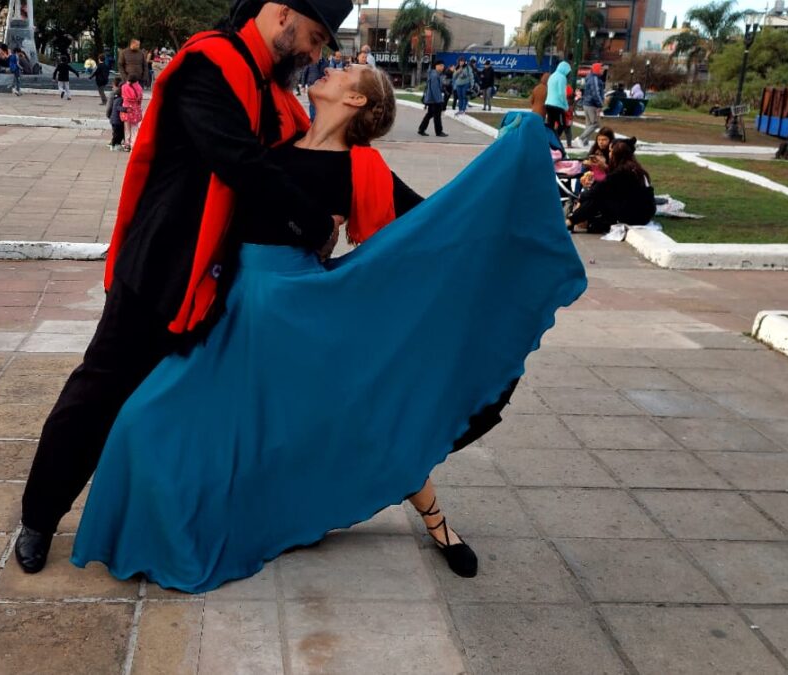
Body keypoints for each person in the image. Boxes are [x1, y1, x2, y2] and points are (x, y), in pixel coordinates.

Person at [70, 67, 586, 593]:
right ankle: (192, 526)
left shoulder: (363, 167)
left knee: (364, 423)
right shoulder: (275, 140)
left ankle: (440, 527)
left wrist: (513, 161)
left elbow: (437, 227)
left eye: (344, 72)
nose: (331, 68)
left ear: (356, 98)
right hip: (235, 310)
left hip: (302, 314)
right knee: (143, 419)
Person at [14, 0, 358, 574]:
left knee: (182, 409)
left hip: (222, 280)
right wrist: (317, 223)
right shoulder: (211, 66)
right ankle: (39, 519)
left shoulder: (272, 93)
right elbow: (240, 163)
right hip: (160, 270)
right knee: (97, 396)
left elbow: (296, 166)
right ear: (281, 15)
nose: (315, 54)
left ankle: (178, 524)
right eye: (316, 38)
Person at [567, 139, 654, 234]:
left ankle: (570, 221)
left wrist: (580, 198)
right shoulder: (633, 167)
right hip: (643, 213)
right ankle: (579, 221)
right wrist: (604, 168)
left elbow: (598, 190)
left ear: (616, 154)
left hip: (635, 215)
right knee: (598, 199)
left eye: (610, 151)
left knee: (597, 198)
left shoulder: (621, 172)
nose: (609, 154)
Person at [577, 62, 605, 146]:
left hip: (587, 103)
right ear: (597, 69)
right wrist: (600, 104)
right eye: (601, 68)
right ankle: (580, 138)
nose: (603, 70)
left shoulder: (591, 78)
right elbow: (596, 93)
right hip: (592, 104)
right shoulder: (595, 79)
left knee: (589, 124)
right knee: (595, 124)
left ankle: (584, 141)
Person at [418, 59, 447, 137]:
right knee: (437, 115)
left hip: (431, 99)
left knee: (430, 114)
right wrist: (439, 100)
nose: (442, 67)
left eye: (443, 66)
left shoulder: (435, 74)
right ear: (437, 66)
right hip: (434, 99)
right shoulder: (435, 75)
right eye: (441, 66)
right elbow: (435, 89)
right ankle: (439, 132)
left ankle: (421, 129)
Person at [545, 60, 570, 138]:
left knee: (550, 124)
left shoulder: (552, 76)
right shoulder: (562, 78)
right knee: (562, 125)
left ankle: (549, 139)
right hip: (557, 105)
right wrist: (566, 106)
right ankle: (555, 139)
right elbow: (561, 93)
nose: (568, 73)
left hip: (548, 103)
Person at [119, 74, 144, 150]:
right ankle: (134, 144)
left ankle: (127, 145)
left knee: (127, 128)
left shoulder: (124, 87)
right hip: (135, 110)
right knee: (135, 128)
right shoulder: (139, 87)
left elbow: (123, 97)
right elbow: (140, 99)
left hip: (126, 109)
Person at [108, 78, 126, 151]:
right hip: (117, 120)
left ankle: (116, 144)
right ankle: (114, 144)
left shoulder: (117, 98)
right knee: (117, 134)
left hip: (115, 120)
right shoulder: (120, 99)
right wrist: (125, 109)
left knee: (118, 133)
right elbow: (118, 107)